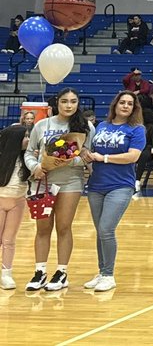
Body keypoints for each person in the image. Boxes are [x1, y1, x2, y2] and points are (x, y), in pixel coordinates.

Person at [23, 88, 95, 291]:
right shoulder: (42, 125)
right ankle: (40, 271)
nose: (69, 105)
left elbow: (86, 157)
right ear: (58, 103)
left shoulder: (86, 127)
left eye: (73, 101)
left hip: (70, 182)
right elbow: (29, 153)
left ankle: (62, 272)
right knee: (42, 228)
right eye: (64, 101)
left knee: (63, 226)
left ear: (78, 103)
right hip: (42, 182)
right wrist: (35, 167)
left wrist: (66, 161)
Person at [82, 91, 145, 292]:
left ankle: (109, 275)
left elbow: (133, 157)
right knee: (100, 231)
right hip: (96, 185)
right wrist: (88, 160)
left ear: (134, 108)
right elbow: (92, 152)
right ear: (115, 105)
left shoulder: (137, 129)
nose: (125, 106)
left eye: (130, 103)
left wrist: (105, 159)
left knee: (106, 229)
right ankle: (101, 272)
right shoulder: (101, 126)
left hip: (121, 185)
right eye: (122, 102)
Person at [0, 125, 30, 290]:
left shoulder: (27, 158)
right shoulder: (2, 158)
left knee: (9, 240)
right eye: (25, 136)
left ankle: (6, 274)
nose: (28, 140)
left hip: (18, 202)